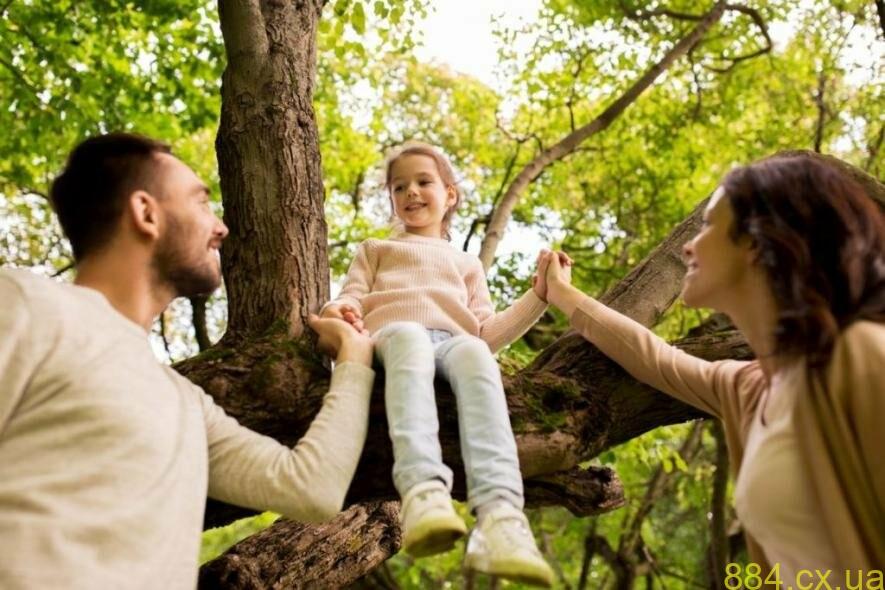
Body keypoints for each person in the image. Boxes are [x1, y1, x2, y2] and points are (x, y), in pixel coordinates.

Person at [0, 133, 376, 590]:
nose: (221, 227)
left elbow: (312, 489)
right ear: (146, 213)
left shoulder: (185, 404)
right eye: (200, 203)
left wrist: (355, 359)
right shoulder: (25, 303)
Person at [543, 153, 885, 579]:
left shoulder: (863, 357)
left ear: (759, 242)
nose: (689, 245)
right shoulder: (750, 389)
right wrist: (560, 293)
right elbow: (654, 358)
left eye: (708, 226)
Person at [321, 142, 563, 586]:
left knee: (476, 354)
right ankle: (422, 492)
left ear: (449, 195)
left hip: (453, 344)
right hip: (392, 338)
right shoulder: (376, 249)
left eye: (423, 182)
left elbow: (486, 333)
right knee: (411, 338)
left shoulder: (467, 264)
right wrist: (339, 311)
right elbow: (350, 298)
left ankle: (502, 517)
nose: (411, 192)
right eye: (399, 187)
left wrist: (539, 296)